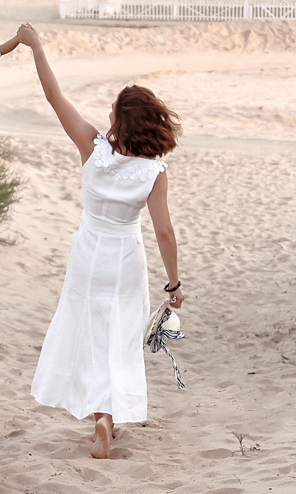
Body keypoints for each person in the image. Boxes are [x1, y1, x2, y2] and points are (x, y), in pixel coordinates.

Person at [14, 23, 183, 458]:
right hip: (126, 258)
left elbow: (54, 97)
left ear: (121, 121)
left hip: (89, 253)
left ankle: (100, 419)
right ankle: (109, 414)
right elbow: (164, 232)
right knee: (121, 338)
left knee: (89, 333)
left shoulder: (92, 147)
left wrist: (36, 47)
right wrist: (174, 283)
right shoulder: (153, 173)